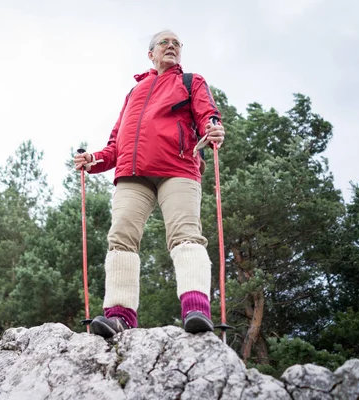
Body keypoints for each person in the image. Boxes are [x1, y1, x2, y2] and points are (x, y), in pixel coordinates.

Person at [74, 30, 226, 338]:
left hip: (178, 167)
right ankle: (119, 317)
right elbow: (116, 144)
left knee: (186, 235)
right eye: (164, 43)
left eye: (177, 44)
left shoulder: (192, 81)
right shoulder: (134, 92)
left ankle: (196, 310)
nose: (171, 46)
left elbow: (208, 116)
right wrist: (94, 160)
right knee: (120, 239)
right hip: (132, 174)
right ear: (151, 54)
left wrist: (214, 128)